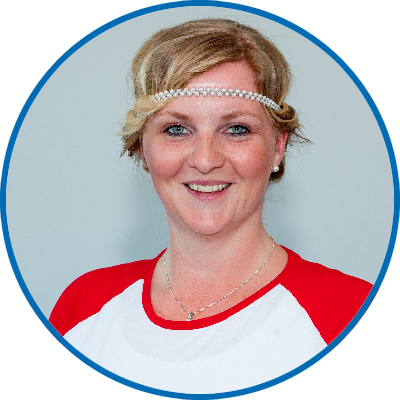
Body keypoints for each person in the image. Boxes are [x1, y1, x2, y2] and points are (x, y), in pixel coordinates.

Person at [49, 19, 372, 394]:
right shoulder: (83, 307)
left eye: (236, 129)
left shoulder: (348, 313)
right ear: (142, 147)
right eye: (176, 129)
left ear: (278, 146)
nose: (205, 160)